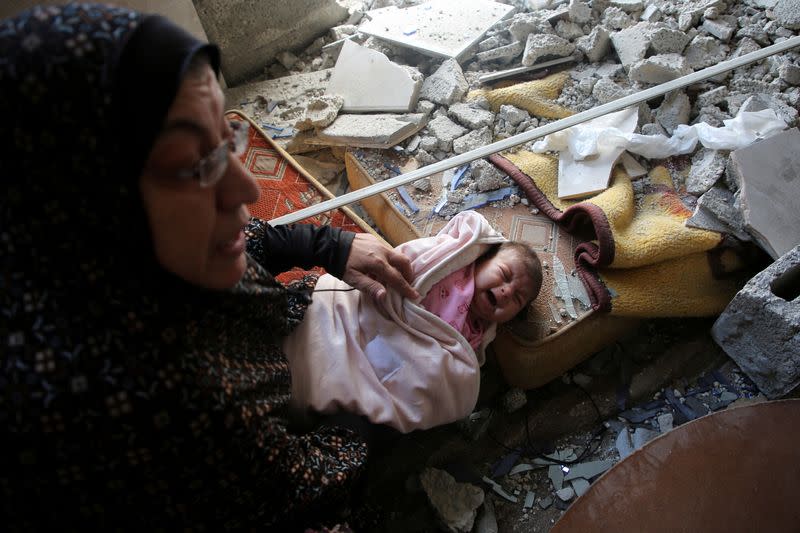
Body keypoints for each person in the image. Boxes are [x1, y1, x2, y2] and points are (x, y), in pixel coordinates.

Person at [0, 4, 418, 530]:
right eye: (195, 167)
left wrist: (330, 244)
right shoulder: (167, 409)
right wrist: (375, 411)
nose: (246, 190)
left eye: (227, 143)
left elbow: (250, 240)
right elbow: (303, 482)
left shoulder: (115, 263)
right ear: (89, 201)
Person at [284, 210, 543, 433]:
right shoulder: (449, 265)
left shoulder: (477, 334)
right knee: (318, 323)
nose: (507, 291)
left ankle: (346, 396)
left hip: (393, 361)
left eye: (517, 298)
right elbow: (408, 263)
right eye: (504, 274)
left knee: (425, 381)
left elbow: (449, 373)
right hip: (370, 317)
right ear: (482, 260)